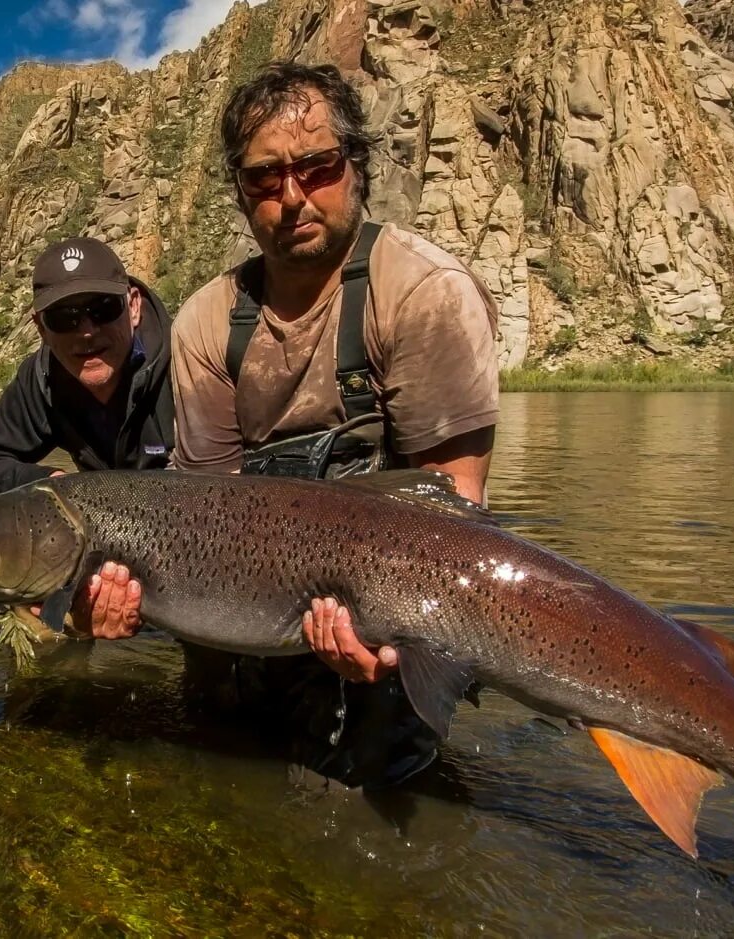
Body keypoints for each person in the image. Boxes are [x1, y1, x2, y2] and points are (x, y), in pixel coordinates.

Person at [169, 61, 500, 787]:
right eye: (264, 177)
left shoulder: (424, 293)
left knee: (377, 788)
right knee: (215, 769)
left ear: (355, 166)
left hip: (403, 595)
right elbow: (199, 517)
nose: (292, 196)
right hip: (254, 598)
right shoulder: (205, 322)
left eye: (316, 167)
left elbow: (455, 521)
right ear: (240, 192)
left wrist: (380, 630)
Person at [0, 236, 174, 636]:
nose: (86, 331)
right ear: (40, 328)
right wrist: (48, 487)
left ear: (133, 306)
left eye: (102, 309)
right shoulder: (42, 380)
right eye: (64, 318)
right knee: (38, 626)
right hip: (111, 553)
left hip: (195, 552)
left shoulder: (190, 360)